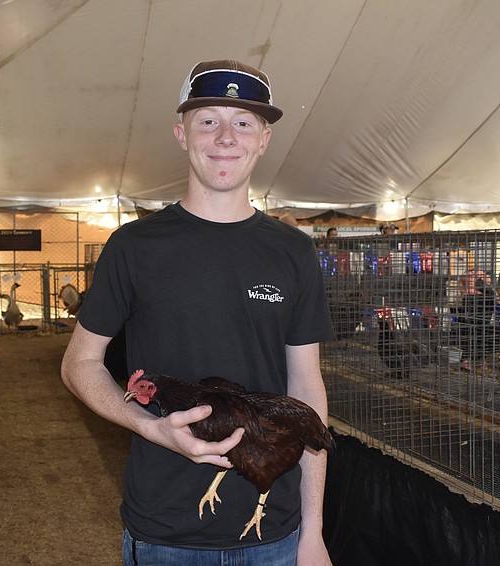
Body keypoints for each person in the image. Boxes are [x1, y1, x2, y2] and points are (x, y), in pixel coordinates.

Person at [61, 59, 335, 565]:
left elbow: (306, 389)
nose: (226, 136)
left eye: (244, 122)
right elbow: (79, 364)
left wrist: (313, 530)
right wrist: (148, 426)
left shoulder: (294, 252)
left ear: (264, 139)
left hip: (274, 534)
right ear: (181, 134)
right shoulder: (134, 246)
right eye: (208, 119)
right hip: (165, 530)